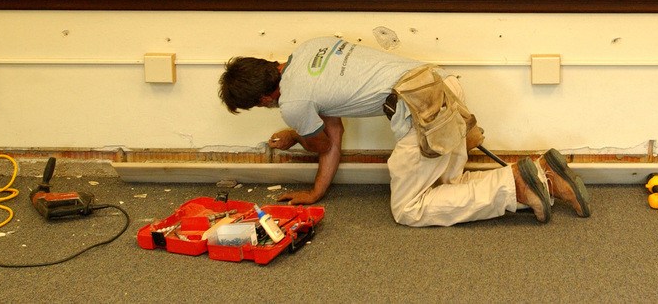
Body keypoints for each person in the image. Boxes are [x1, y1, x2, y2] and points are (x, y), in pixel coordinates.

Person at [218, 35, 591, 227]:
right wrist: (316, 192)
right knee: (444, 187)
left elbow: (322, 144)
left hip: (424, 116)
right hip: (443, 89)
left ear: (265, 97)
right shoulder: (309, 49)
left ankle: (519, 187)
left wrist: (294, 135)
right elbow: (334, 130)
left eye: (261, 105)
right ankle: (544, 173)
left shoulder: (293, 102)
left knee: (410, 209)